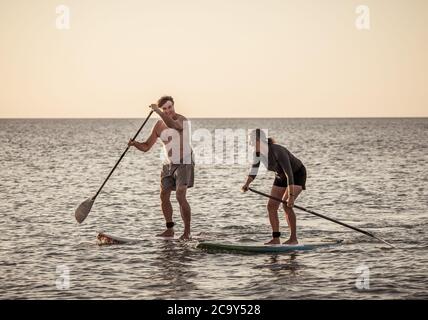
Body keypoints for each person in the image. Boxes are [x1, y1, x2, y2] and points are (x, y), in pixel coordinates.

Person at [128, 96, 194, 240]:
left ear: (174, 106)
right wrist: (135, 144)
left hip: (184, 162)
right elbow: (146, 146)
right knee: (163, 195)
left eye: (169, 107)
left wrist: (157, 111)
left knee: (180, 195)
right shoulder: (158, 126)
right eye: (164, 108)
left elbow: (172, 125)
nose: (167, 111)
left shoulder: (181, 120)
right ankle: (169, 229)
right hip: (168, 164)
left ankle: (187, 232)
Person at [241, 129, 306, 245]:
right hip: (280, 176)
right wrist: (247, 184)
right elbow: (253, 171)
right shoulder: (257, 153)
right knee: (271, 206)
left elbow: (289, 174)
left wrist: (291, 197)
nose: (249, 144)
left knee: (286, 204)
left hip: (296, 174)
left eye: (250, 141)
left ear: (257, 140)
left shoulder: (277, 150)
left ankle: (293, 239)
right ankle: (276, 238)